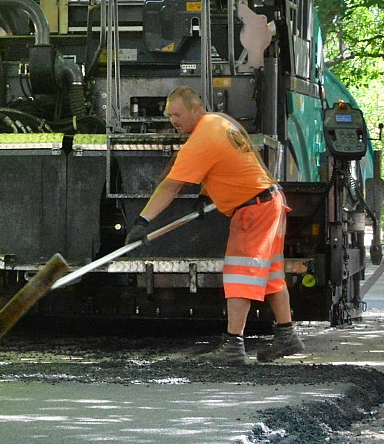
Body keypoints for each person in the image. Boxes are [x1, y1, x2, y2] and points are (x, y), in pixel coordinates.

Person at [126, 86, 300, 365]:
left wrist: (142, 221)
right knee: (270, 274)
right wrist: (206, 195)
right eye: (170, 116)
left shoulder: (200, 140)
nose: (173, 121)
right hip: (271, 200)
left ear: (196, 109)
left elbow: (170, 187)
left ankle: (233, 345)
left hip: (254, 210)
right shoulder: (221, 121)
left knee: (239, 276)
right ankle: (287, 334)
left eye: (178, 114)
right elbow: (232, 163)